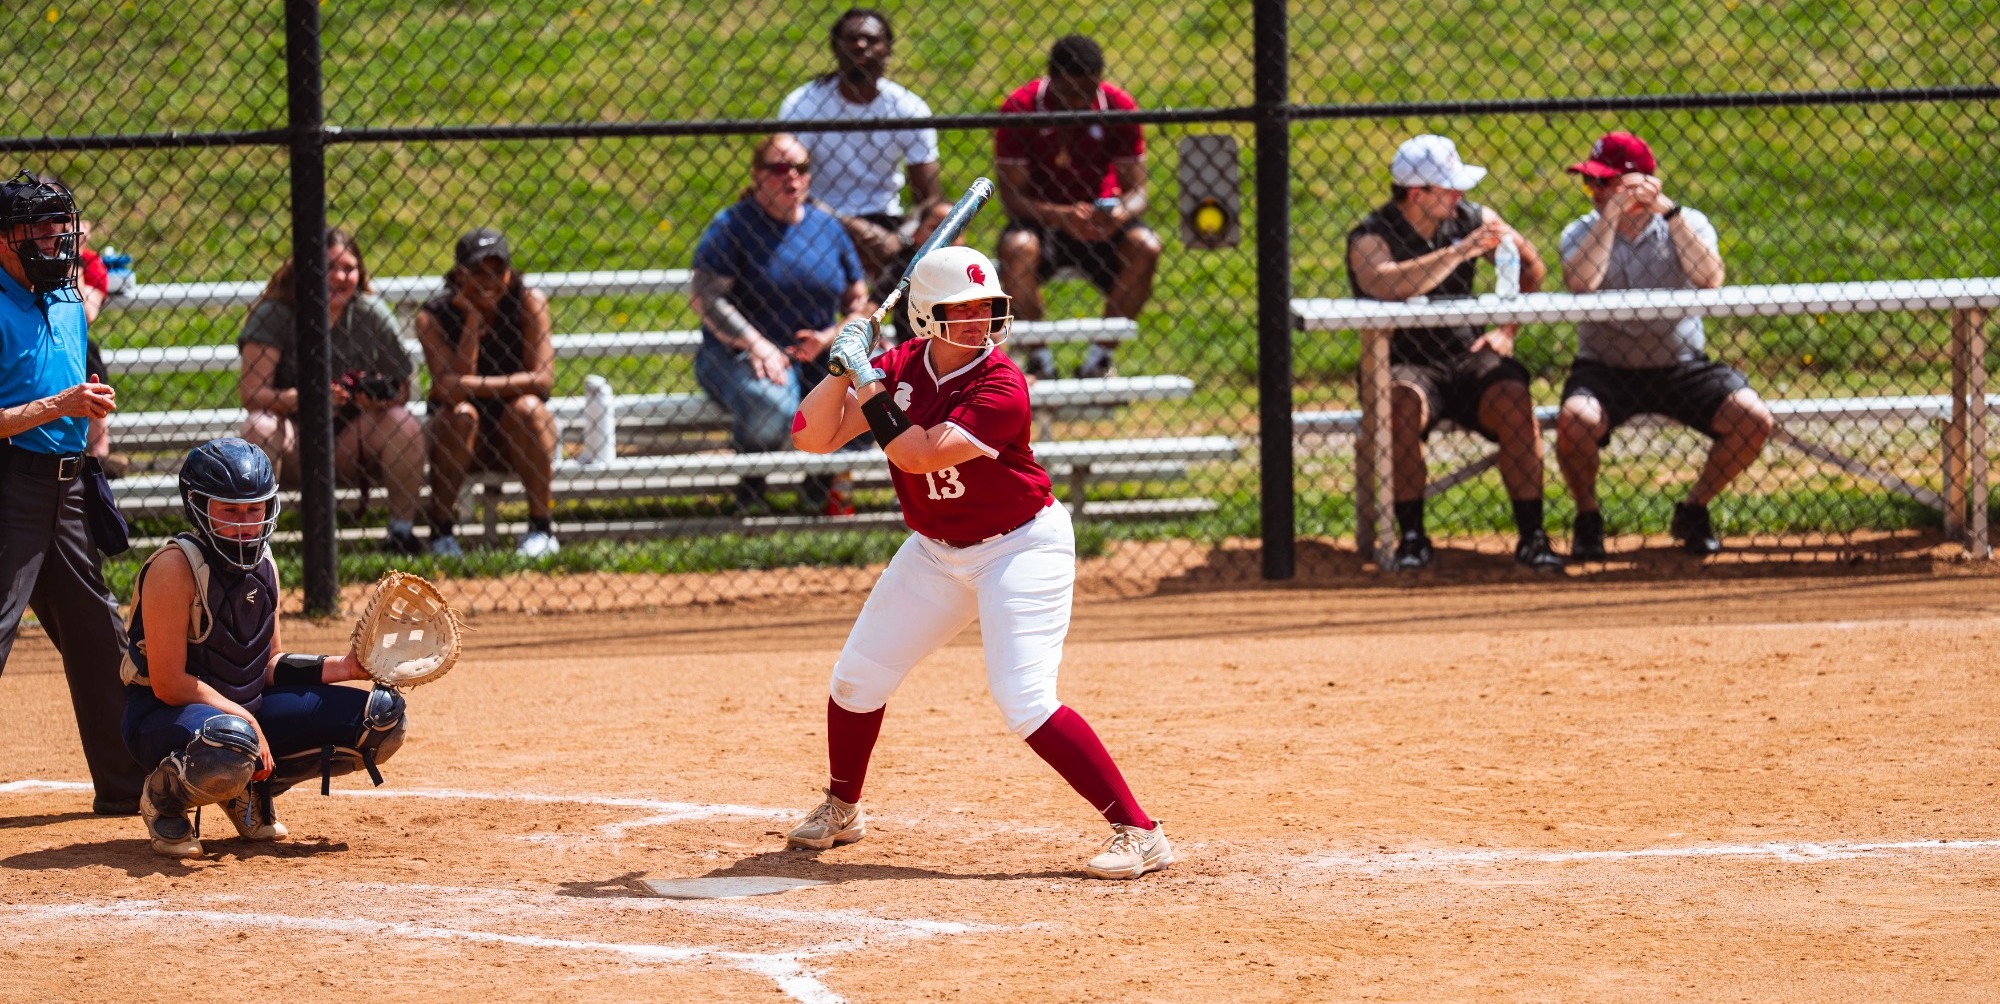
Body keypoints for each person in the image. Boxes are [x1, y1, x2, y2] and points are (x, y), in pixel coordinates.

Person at [784, 245, 1171, 880]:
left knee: (1025, 699)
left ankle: (1140, 832)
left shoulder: (1002, 383)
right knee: (856, 681)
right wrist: (840, 369)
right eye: (960, 310)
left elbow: (917, 454)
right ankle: (843, 808)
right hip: (936, 551)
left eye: (986, 308)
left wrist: (867, 379)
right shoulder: (899, 366)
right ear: (925, 314)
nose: (977, 322)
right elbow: (811, 436)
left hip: (1020, 546)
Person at [120, 438, 409, 857]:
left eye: (254, 509)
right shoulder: (174, 567)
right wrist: (245, 720)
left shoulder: (264, 561)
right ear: (198, 506)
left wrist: (344, 667)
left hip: (241, 717)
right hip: (161, 719)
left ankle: (250, 791)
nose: (246, 523)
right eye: (230, 511)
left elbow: (268, 664)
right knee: (234, 738)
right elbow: (168, 684)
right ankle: (164, 797)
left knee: (381, 719)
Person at [1346, 135, 1563, 572]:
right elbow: (1384, 283)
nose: (1459, 197)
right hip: (1404, 359)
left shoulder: (1473, 219)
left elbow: (1532, 267)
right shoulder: (1371, 235)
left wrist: (1506, 331)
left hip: (1467, 354)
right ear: (1416, 194)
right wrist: (1459, 253)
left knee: (1512, 396)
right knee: (1399, 404)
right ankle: (1411, 537)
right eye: (1448, 190)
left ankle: (1532, 536)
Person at [0, 171, 146, 816]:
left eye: (60, 226)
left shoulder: (65, 297)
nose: (53, 239)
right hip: (9, 487)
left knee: (99, 638)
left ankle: (129, 785)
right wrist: (58, 405)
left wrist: (84, 424)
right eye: (35, 228)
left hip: (68, 490)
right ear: (4, 239)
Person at [1555, 132, 1774, 559]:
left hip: (1681, 365)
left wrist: (1670, 214)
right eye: (1590, 182)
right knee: (1575, 420)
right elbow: (1581, 282)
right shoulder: (1581, 230)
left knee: (1752, 418)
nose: (1594, 191)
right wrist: (1610, 217)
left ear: (1641, 183)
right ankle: (1587, 517)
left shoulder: (1685, 222)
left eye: (1605, 182)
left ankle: (1694, 508)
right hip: (1605, 368)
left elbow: (1710, 278)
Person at [690, 134, 870, 515]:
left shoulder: (827, 227)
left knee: (873, 388)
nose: (792, 177)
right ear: (757, 176)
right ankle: (752, 484)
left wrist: (828, 336)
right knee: (771, 401)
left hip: (818, 355)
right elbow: (705, 297)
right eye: (779, 168)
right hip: (736, 354)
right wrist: (756, 344)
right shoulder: (734, 226)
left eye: (800, 168)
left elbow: (860, 302)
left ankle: (819, 483)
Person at [237, 228, 427, 554]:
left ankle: (400, 535)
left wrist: (376, 397)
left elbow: (403, 388)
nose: (339, 277)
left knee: (403, 423)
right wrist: (310, 398)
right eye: (327, 268)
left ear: (360, 273)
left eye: (348, 268)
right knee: (259, 426)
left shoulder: (370, 313)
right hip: (294, 437)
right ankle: (256, 545)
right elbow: (252, 394)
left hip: (352, 438)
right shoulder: (276, 313)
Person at [994, 34, 1161, 380]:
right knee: (1016, 247)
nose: (1080, 102)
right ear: (1052, 79)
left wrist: (1118, 213)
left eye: (1088, 91)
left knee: (1146, 246)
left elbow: (1139, 192)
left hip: (1102, 221)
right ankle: (1039, 361)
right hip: (1042, 219)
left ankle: (1099, 361)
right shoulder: (1021, 106)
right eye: (1070, 94)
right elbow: (1012, 198)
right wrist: (1060, 217)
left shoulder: (1117, 105)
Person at [778, 8, 951, 302]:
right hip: (816, 214)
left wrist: (900, 237)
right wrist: (849, 224)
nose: (860, 45)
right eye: (851, 39)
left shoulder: (908, 107)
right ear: (835, 48)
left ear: (888, 51)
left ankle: (909, 323)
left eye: (871, 40)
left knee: (943, 217)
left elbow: (930, 196)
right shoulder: (803, 104)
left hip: (885, 219)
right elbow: (787, 181)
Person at [416, 228, 560, 556]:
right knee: (460, 416)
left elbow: (542, 381)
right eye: (478, 272)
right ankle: (441, 533)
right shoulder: (432, 316)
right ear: (459, 275)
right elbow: (450, 395)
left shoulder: (528, 301)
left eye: (498, 270)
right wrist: (471, 320)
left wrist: (468, 386)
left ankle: (541, 529)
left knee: (526, 409)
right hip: (464, 440)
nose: (490, 280)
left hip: (521, 435)